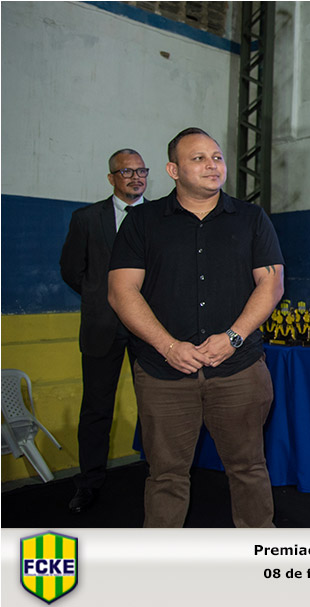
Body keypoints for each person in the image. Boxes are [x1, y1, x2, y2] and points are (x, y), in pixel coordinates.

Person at [107, 128, 284, 527]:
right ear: (173, 170)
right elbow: (121, 292)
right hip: (163, 372)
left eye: (217, 157)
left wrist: (233, 338)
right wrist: (169, 346)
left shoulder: (252, 219)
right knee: (166, 476)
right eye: (198, 158)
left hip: (238, 369)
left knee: (249, 468)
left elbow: (271, 285)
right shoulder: (142, 222)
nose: (212, 165)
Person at [60, 148, 149, 514]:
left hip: (150, 329)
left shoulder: (161, 218)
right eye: (127, 171)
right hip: (101, 327)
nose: (136, 177)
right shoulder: (85, 219)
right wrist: (102, 297)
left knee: (158, 407)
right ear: (111, 177)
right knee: (96, 410)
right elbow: (71, 270)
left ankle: (162, 479)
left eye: (141, 170)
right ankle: (88, 484)